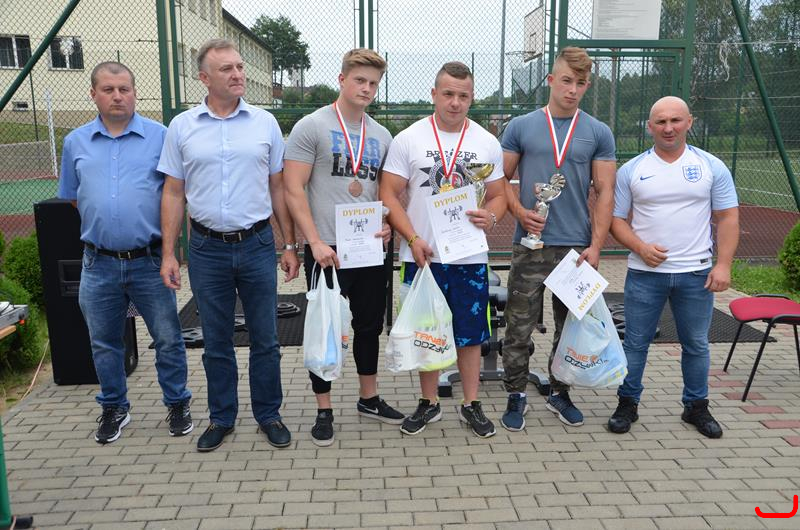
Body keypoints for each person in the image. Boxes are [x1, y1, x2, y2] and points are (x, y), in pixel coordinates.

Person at [158, 39, 300, 452]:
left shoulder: (264, 123)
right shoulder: (182, 127)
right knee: (216, 340)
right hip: (206, 248)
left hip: (257, 244)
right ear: (204, 77)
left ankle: (269, 414)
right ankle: (221, 418)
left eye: (239, 67)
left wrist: (289, 244)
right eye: (227, 69)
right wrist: (169, 254)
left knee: (266, 337)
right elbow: (173, 192)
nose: (238, 74)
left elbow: (278, 187)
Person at [58, 62, 192, 444]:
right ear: (93, 94)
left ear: (135, 93)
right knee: (104, 342)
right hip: (98, 263)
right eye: (108, 89)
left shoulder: (160, 137)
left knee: (168, 338)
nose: (117, 96)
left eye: (124, 89)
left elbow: (174, 195)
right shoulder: (75, 142)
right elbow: (74, 198)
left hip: (150, 260)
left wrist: (169, 252)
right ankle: (114, 406)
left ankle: (177, 402)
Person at [284, 49, 404, 446]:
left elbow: (384, 191)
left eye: (373, 83)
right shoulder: (312, 126)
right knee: (326, 329)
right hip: (327, 248)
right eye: (360, 81)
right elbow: (293, 189)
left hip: (368, 247)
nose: (366, 89)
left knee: (369, 325)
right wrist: (314, 241)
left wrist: (386, 222)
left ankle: (369, 398)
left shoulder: (382, 135)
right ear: (342, 79)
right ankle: (324, 409)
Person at [380, 62, 507, 438]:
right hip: (424, 256)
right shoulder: (409, 139)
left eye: (463, 96)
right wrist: (412, 238)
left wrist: (491, 216)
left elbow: (499, 196)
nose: (455, 102)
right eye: (448, 94)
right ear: (434, 94)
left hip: (469, 257)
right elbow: (388, 193)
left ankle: (471, 403)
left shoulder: (486, 141)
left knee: (471, 333)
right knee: (427, 331)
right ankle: (429, 402)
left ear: (472, 98)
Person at [607, 96, 739, 439]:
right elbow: (616, 220)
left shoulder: (711, 166)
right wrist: (640, 247)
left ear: (689, 122)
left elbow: (727, 217)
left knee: (696, 344)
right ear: (650, 127)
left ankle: (696, 406)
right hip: (644, 275)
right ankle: (627, 403)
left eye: (675, 120)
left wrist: (723, 265)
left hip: (696, 275)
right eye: (661, 122)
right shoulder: (632, 169)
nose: (669, 128)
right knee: (635, 343)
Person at [500, 47, 616, 431]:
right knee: (519, 325)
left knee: (571, 326)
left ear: (587, 85)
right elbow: (499, 181)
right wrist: (520, 213)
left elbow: (605, 191)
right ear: (551, 80)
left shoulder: (598, 132)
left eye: (580, 83)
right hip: (530, 243)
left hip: (575, 249)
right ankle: (516, 393)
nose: (572, 90)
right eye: (566, 81)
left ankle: (560, 391)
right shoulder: (521, 126)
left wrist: (596, 246)